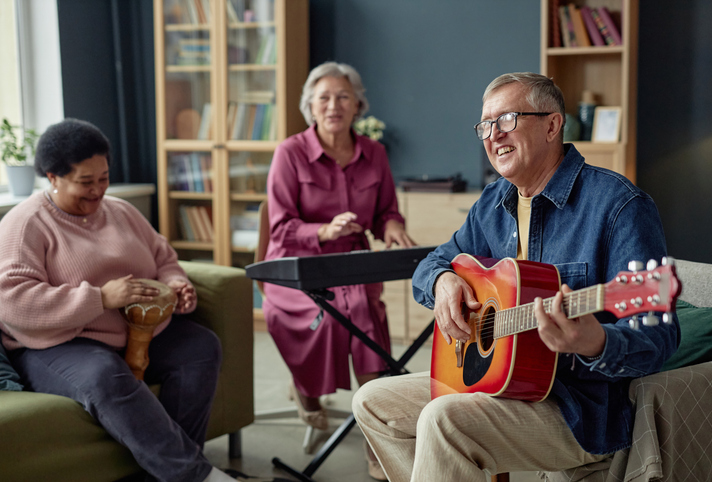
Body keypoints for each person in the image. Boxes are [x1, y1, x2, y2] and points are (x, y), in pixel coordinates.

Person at [352, 72, 680, 482]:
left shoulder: (619, 205)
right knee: (371, 401)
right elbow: (433, 261)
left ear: (551, 124)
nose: (493, 136)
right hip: (503, 383)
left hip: (580, 410)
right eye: (485, 126)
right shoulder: (492, 202)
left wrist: (593, 342)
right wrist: (442, 281)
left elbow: (660, 338)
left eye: (506, 120)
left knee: (442, 420)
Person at [0, 119, 241, 482]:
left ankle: (165, 474)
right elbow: (14, 303)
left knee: (201, 348)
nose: (98, 191)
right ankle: (199, 477)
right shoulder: (26, 223)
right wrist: (100, 298)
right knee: (103, 374)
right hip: (57, 343)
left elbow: (164, 258)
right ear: (52, 178)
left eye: (104, 177)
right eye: (85, 182)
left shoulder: (121, 211)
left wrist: (175, 284)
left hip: (136, 332)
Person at [262, 61, 415, 478]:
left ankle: (377, 440)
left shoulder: (375, 153)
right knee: (324, 320)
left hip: (353, 261)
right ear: (310, 106)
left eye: (343, 97)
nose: (334, 105)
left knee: (364, 316)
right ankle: (307, 394)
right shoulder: (289, 153)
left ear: (358, 105)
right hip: (296, 264)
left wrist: (394, 226)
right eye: (324, 97)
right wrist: (325, 230)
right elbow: (280, 227)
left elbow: (386, 211)